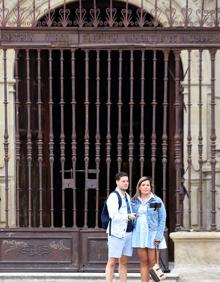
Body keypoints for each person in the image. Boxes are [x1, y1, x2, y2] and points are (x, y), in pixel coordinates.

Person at [131, 176, 167, 282]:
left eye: (147, 185)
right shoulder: (134, 201)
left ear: (151, 187)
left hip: (153, 235)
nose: (146, 187)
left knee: (154, 263)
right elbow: (130, 216)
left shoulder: (156, 200)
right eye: (143, 185)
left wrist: (159, 236)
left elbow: (162, 218)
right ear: (139, 187)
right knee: (143, 261)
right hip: (139, 234)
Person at [105, 171, 136, 282]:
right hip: (116, 234)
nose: (126, 183)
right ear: (117, 182)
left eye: (127, 181)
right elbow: (113, 216)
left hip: (127, 234)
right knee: (112, 262)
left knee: (123, 262)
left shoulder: (127, 196)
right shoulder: (113, 196)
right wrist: (128, 216)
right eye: (123, 181)